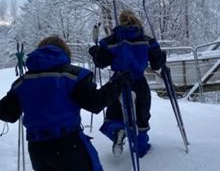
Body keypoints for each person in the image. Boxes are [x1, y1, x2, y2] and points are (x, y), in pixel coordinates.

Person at [0, 36, 129, 171]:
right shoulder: (73, 76)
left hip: (37, 149)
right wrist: (118, 82)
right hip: (68, 145)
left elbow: (7, 113)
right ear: (65, 52)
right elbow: (95, 103)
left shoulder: (22, 83)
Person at [89, 10, 165, 158]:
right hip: (139, 83)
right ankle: (141, 149)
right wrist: (161, 57)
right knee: (142, 117)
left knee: (114, 116)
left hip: (118, 83)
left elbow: (101, 62)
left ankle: (118, 130)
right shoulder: (147, 40)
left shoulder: (110, 41)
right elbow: (156, 64)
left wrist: (95, 52)